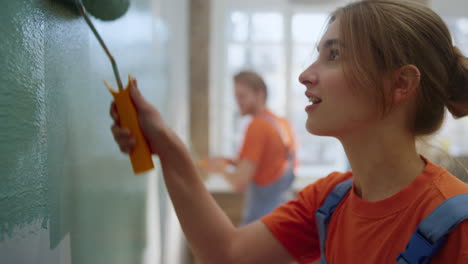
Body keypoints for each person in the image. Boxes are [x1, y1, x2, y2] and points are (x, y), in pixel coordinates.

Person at [110, 0, 468, 263]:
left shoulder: (459, 228)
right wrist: (168, 147)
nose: (305, 75)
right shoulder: (329, 200)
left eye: (335, 55)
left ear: (400, 84)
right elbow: (225, 254)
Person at [200, 71, 298, 225]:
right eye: (236, 96)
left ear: (260, 93)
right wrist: (231, 162)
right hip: (284, 212)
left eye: (242, 96)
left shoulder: (257, 126)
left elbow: (239, 183)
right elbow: (270, 162)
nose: (238, 102)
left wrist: (220, 168)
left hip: (263, 219)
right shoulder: (282, 123)